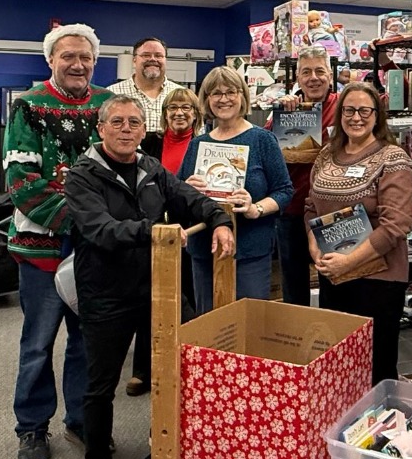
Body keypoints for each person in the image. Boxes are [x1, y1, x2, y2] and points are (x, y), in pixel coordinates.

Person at [65, 95, 234, 459]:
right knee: (101, 384)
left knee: (189, 362)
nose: (126, 129)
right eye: (118, 122)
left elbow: (189, 199)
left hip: (158, 289)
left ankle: (186, 446)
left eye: (134, 123)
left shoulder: (151, 168)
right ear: (101, 128)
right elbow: (100, 230)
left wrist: (220, 220)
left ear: (144, 131)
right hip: (105, 294)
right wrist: (155, 231)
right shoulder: (82, 176)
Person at [3, 23, 112, 459]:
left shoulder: (108, 106)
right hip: (41, 248)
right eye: (68, 56)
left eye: (85, 57)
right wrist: (82, 222)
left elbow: (118, 171)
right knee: (39, 342)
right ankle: (32, 426)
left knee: (87, 342)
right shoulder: (28, 106)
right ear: (51, 60)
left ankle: (80, 419)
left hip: (94, 253)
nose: (78, 64)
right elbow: (21, 182)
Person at [305, 82, 412, 385]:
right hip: (335, 277)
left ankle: (380, 429)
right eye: (349, 110)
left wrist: (349, 261)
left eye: (364, 110)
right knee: (339, 364)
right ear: (339, 115)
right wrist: (315, 248)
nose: (356, 117)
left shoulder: (393, 158)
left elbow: (396, 225)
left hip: (377, 281)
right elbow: (310, 206)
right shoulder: (327, 154)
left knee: (375, 367)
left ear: (377, 115)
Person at [179, 66, 292, 312]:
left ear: (242, 96)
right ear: (206, 99)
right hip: (204, 250)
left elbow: (284, 191)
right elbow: (178, 195)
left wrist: (256, 208)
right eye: (216, 93)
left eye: (231, 91)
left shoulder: (263, 140)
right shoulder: (198, 144)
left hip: (250, 249)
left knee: (248, 324)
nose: (224, 99)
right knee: (207, 326)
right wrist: (187, 189)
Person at [124, 86, 204, 396]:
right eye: (173, 108)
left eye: (186, 108)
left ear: (196, 114)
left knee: (188, 299)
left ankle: (185, 366)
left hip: (190, 230)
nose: (179, 113)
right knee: (152, 298)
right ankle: (144, 370)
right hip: (153, 229)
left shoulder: (204, 144)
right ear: (164, 113)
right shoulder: (151, 143)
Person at [274, 46, 339, 306]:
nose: (314, 77)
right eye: (306, 72)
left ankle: (330, 341)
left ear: (331, 76)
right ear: (297, 79)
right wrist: (282, 115)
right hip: (292, 211)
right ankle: (295, 340)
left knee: (334, 280)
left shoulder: (345, 108)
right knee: (293, 285)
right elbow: (270, 147)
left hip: (331, 211)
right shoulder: (288, 109)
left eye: (320, 71)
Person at [108, 36, 184, 154]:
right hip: (124, 164)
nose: (153, 59)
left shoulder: (181, 94)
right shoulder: (113, 94)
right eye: (146, 55)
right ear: (134, 60)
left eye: (159, 56)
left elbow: (197, 132)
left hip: (172, 166)